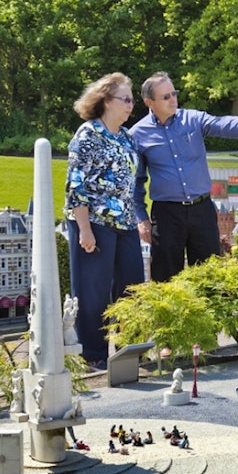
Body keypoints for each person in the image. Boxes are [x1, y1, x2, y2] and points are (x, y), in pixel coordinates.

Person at [131, 71, 238, 281]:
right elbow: (135, 183)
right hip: (166, 215)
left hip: (202, 210)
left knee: (209, 277)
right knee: (165, 279)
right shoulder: (137, 135)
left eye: (174, 93)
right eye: (166, 97)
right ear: (149, 102)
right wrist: (141, 219)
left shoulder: (192, 119)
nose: (173, 100)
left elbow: (221, 124)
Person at [65, 72, 144, 370]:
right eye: (126, 100)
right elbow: (75, 185)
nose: (130, 106)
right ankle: (93, 356)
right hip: (94, 223)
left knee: (132, 288)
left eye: (132, 101)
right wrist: (84, 229)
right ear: (107, 101)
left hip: (125, 223)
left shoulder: (126, 137)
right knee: (93, 292)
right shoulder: (87, 135)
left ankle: (129, 352)